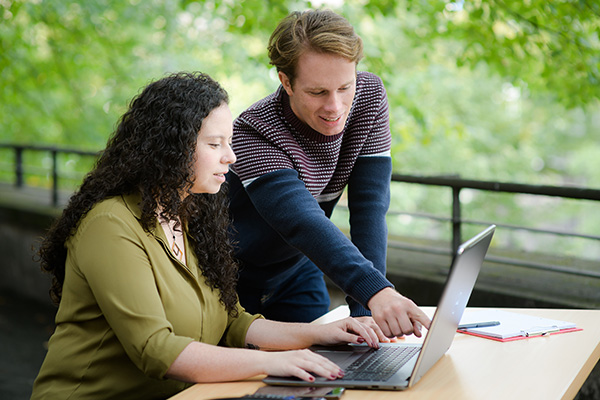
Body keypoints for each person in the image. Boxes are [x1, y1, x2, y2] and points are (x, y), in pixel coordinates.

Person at [30, 71, 380, 400]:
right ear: (170, 149)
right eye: (215, 144)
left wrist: (319, 334)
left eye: (229, 142)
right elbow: (156, 349)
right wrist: (273, 363)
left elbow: (233, 322)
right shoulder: (110, 225)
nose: (231, 157)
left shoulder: (190, 217)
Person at [227, 9, 431, 340]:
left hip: (297, 271)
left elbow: (369, 208)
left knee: (337, 368)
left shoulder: (369, 99)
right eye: (318, 92)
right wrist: (376, 291)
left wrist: (368, 311)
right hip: (230, 278)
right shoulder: (254, 132)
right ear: (286, 81)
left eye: (344, 87)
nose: (335, 107)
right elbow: (302, 221)